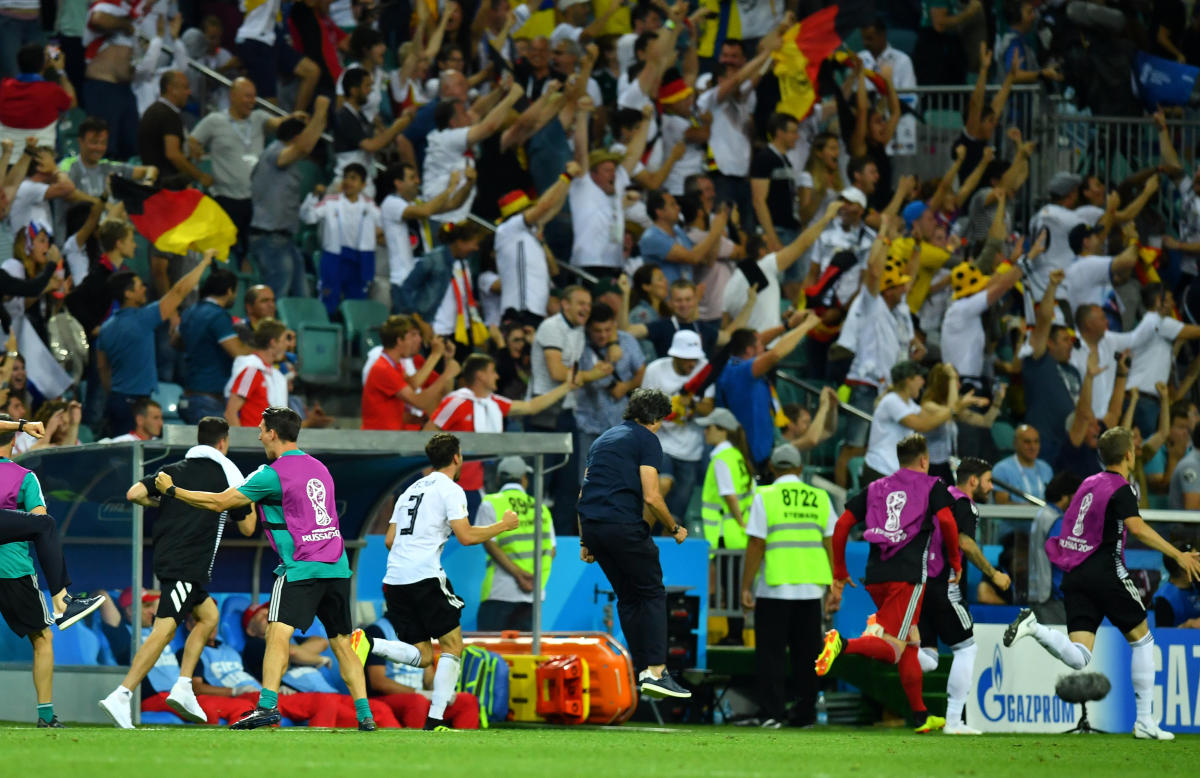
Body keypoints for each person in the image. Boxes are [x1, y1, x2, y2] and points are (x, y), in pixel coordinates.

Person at [154, 406, 377, 731]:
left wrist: (172, 491)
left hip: (300, 567)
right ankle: (365, 716)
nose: (258, 435)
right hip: (337, 567)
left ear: (273, 433)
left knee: (277, 634)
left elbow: (219, 502)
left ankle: (267, 706)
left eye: (261, 429)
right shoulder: (319, 468)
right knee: (342, 643)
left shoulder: (270, 473)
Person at [1006, 427, 1200, 740]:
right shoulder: (1122, 488)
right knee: (1143, 641)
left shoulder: (1088, 483)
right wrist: (1179, 554)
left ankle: (1034, 627)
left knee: (1080, 656)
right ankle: (1145, 721)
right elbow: (1136, 528)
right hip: (1105, 571)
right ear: (1129, 455)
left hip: (1076, 574)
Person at [356, 433, 519, 730]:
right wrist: (503, 525)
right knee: (453, 645)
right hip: (424, 576)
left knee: (424, 656)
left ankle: (368, 642)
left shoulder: (409, 491)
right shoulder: (450, 489)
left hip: (394, 579)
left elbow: (390, 540)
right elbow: (467, 536)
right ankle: (435, 721)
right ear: (457, 458)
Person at [99, 417, 250, 729]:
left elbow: (133, 494)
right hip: (186, 564)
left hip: (176, 561)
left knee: (209, 617)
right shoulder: (228, 474)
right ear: (223, 442)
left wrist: (164, 504)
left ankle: (182, 686)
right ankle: (122, 694)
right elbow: (248, 528)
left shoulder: (173, 471)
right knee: (164, 630)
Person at [817, 433, 962, 733]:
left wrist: (839, 572)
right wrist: (956, 562)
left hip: (876, 577)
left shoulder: (875, 487)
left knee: (910, 643)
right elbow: (948, 522)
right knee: (894, 648)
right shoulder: (932, 485)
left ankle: (921, 716)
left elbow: (842, 524)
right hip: (907, 578)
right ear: (924, 460)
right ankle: (842, 643)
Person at [576, 388, 691, 699]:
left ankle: (643, 670)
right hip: (622, 525)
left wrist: (586, 539)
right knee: (652, 592)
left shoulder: (604, 440)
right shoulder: (646, 439)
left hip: (595, 526)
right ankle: (656, 671)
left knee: (628, 597)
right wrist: (674, 527)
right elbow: (652, 495)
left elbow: (583, 493)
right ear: (655, 418)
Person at [740, 443, 836, 729]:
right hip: (810, 588)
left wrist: (746, 585)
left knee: (771, 654)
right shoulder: (819, 497)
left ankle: (771, 713)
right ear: (799, 468)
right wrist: (833, 584)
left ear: (773, 468)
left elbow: (757, 543)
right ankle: (805, 713)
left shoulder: (765, 496)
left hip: (775, 587)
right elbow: (829, 541)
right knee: (807, 654)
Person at [917, 457, 1009, 736]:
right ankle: (954, 722)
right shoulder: (964, 504)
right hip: (946, 583)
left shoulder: (937, 498)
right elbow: (964, 542)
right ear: (973, 480)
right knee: (966, 648)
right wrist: (994, 575)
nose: (991, 486)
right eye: (988, 480)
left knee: (929, 657)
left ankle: (882, 650)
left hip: (922, 583)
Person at [429, 352, 578, 519]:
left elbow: (531, 407)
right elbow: (425, 437)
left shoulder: (493, 403)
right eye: (493, 371)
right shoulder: (455, 402)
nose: (497, 376)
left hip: (476, 488)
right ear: (480, 375)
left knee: (469, 541)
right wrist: (429, 483)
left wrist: (567, 386)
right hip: (447, 488)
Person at [97, 251, 215, 437]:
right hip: (136, 406)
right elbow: (178, 292)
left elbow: (103, 367)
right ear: (128, 293)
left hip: (116, 401)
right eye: (138, 286)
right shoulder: (143, 318)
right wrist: (204, 262)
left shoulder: (105, 328)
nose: (144, 288)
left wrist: (115, 393)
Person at [0, 412, 64, 727]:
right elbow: (38, 520)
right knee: (41, 638)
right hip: (13, 569)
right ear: (13, 439)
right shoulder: (24, 477)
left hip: (13, 568)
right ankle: (46, 716)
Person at [248, 97, 331, 299]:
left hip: (284, 239)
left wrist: (319, 120)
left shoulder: (284, 156)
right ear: (295, 137)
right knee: (276, 297)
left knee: (301, 298)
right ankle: (269, 331)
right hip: (270, 238)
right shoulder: (274, 153)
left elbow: (305, 145)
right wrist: (320, 111)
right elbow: (304, 147)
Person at [716, 312, 821, 470]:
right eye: (761, 346)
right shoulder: (738, 371)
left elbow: (757, 342)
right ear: (749, 351)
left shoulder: (738, 364)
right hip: (747, 456)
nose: (764, 348)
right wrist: (806, 326)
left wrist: (788, 326)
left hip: (759, 452)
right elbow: (775, 354)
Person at [475, 456, 555, 631]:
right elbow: (551, 550)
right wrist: (537, 580)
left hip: (500, 591)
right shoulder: (541, 508)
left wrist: (518, 575)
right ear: (524, 479)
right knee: (525, 654)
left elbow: (489, 543)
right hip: (532, 595)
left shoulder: (491, 503)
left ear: (498, 479)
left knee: (491, 652)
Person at [640, 330, 714, 521]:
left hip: (691, 449)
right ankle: (637, 539)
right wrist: (670, 408)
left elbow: (709, 407)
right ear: (675, 355)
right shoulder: (655, 370)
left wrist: (691, 404)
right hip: (659, 444)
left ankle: (668, 547)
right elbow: (643, 409)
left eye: (694, 359)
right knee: (661, 486)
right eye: (687, 359)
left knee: (675, 515)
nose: (692, 364)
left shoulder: (704, 370)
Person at [862, 361, 957, 484]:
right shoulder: (892, 400)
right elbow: (921, 425)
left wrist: (952, 407)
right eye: (919, 378)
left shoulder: (909, 404)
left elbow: (931, 417)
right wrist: (952, 410)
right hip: (879, 470)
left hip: (894, 472)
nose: (923, 382)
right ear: (908, 380)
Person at [178, 268, 250, 424]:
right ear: (229, 291)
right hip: (208, 400)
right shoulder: (218, 315)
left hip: (188, 396)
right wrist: (258, 350)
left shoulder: (189, 312)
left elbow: (175, 342)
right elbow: (237, 352)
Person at [361, 317, 459, 431]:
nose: (419, 340)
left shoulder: (396, 366)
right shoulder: (383, 368)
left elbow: (392, 410)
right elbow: (419, 402)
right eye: (413, 335)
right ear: (399, 340)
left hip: (390, 438)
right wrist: (445, 374)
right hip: (379, 440)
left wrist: (419, 420)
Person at [697, 408, 754, 561]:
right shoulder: (738, 456)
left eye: (709, 427)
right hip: (741, 535)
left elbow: (730, 496)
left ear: (723, 430)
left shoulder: (721, 459)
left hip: (726, 534)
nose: (705, 432)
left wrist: (741, 523)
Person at [137, 71, 210, 191]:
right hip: (167, 188)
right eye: (185, 87)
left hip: (156, 184)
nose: (189, 92)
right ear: (171, 89)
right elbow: (173, 154)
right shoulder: (167, 114)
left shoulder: (155, 111)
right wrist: (200, 176)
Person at [1027, 472, 1083, 625]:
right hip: (1053, 597)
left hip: (1040, 593)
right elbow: (1062, 560)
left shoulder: (1042, 515)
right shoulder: (1057, 521)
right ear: (1066, 496)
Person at [992, 425, 1054, 504]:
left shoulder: (1046, 468)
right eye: (1027, 442)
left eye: (1036, 441)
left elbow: (1053, 501)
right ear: (1015, 443)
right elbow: (1002, 504)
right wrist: (1034, 510)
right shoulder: (1002, 469)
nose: (1033, 447)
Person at [1153, 542, 1200, 628]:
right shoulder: (1164, 598)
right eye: (1195, 560)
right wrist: (1187, 626)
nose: (1199, 563)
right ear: (1182, 567)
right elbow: (1162, 636)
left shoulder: (1197, 585)